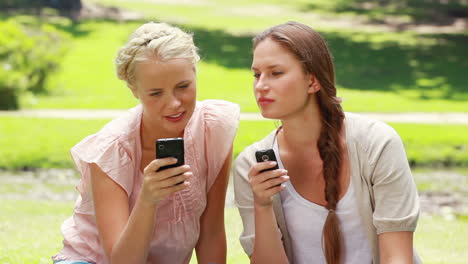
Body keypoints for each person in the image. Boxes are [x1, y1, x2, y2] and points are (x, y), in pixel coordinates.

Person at [233, 21, 421, 264]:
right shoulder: (251, 164)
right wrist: (262, 203)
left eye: (276, 73)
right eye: (257, 75)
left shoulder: (375, 144)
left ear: (313, 81)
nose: (260, 86)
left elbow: (397, 257)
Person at [52, 22, 239, 264]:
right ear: (134, 90)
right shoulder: (112, 150)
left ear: (194, 72)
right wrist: (147, 200)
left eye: (183, 87)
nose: (173, 104)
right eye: (156, 93)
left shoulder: (213, 128)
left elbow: (211, 231)